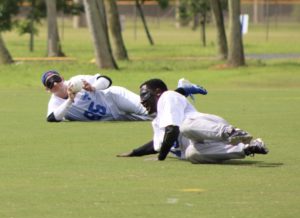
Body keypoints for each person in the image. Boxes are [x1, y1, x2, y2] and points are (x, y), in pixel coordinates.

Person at [117, 78, 269, 163]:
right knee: (191, 154)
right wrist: (134, 152)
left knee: (185, 127)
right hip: (201, 143)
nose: (142, 101)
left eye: (144, 95)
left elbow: (172, 130)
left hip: (209, 127)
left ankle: (232, 132)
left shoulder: (167, 96)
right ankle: (248, 147)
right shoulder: (157, 122)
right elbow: (158, 144)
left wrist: (161, 158)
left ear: (157, 92)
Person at [41, 70, 207, 123]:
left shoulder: (76, 81)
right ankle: (182, 93)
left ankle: (183, 89)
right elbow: (52, 118)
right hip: (114, 117)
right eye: (50, 84)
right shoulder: (55, 102)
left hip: (115, 98)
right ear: (48, 90)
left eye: (55, 79)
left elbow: (106, 79)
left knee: (153, 109)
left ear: (62, 78)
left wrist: (93, 87)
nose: (55, 84)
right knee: (156, 118)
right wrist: (70, 100)